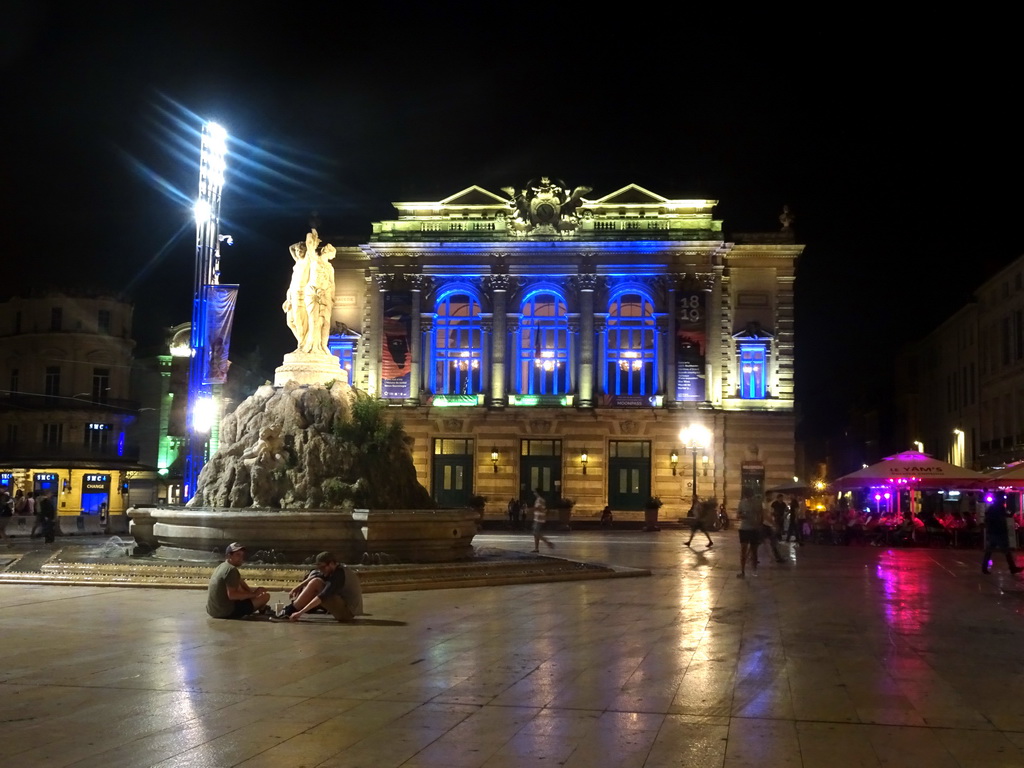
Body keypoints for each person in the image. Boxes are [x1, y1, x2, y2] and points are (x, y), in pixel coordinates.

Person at [279, 550, 363, 622]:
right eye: (319, 567)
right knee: (316, 581)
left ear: (331, 563)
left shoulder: (339, 575)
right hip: (345, 607)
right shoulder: (336, 569)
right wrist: (297, 587)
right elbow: (317, 575)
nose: (320, 570)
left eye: (322, 567)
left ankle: (288, 612)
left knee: (316, 583)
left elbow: (323, 596)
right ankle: (290, 610)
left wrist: (300, 613)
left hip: (347, 614)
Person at [206, 542, 272, 619]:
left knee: (244, 589)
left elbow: (241, 584)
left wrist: (253, 593)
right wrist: (254, 595)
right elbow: (232, 595)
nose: (241, 558)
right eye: (237, 555)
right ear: (228, 555)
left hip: (212, 611)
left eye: (242, 555)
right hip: (226, 612)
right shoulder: (232, 570)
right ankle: (262, 608)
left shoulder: (222, 566)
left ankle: (261, 607)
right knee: (265, 596)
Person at [981, 497, 1023, 575]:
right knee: (1006, 551)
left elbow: (988, 519)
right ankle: (1012, 568)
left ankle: (984, 567)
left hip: (993, 532)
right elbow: (1005, 517)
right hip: (999, 532)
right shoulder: (1000, 508)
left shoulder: (991, 508)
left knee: (989, 551)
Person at [736, 487, 762, 578]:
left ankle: (751, 570)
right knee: (747, 550)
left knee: (752, 551)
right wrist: (741, 515)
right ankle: (746, 571)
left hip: (752, 529)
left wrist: (758, 524)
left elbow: (760, 515)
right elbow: (737, 515)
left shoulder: (757, 503)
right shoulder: (742, 503)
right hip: (745, 528)